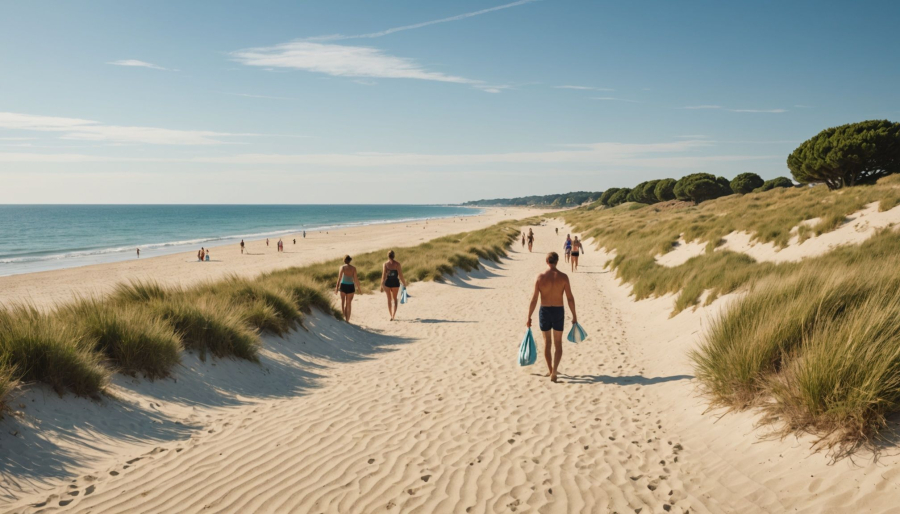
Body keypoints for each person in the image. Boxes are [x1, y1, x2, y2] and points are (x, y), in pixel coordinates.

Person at [526, 252, 577, 383]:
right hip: (558, 311)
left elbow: (534, 299)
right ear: (557, 261)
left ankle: (550, 370)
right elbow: (570, 298)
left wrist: (529, 316)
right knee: (558, 343)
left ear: (546, 261)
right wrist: (574, 315)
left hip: (544, 311)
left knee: (547, 343)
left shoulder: (540, 277)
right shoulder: (563, 277)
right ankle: (554, 371)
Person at [380, 250, 407, 321]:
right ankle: (393, 315)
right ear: (394, 256)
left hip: (387, 283)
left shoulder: (385, 264)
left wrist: (381, 285)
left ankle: (390, 314)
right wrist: (404, 283)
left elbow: (383, 276)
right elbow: (400, 275)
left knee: (389, 299)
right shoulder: (397, 264)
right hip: (395, 283)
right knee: (395, 299)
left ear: (388, 256)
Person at [335, 255, 361, 322]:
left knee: (343, 302)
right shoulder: (353, 268)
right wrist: (359, 288)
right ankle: (347, 319)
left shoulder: (342, 267)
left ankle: (343, 315)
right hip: (350, 286)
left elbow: (339, 278)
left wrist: (336, 287)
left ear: (344, 260)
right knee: (348, 303)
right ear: (350, 260)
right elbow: (355, 279)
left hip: (343, 285)